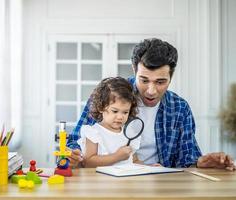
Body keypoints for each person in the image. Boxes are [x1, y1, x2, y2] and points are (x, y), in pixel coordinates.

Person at [67, 38, 236, 171]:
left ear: (171, 77)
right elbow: (74, 143)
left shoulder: (180, 109)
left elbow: (187, 159)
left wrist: (202, 162)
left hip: (158, 182)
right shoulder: (108, 96)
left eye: (161, 82)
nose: (151, 91)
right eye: (144, 80)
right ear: (134, 70)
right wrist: (73, 157)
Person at [77, 77, 141, 167]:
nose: (120, 117)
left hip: (125, 180)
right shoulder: (94, 132)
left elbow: (134, 160)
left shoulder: (129, 133)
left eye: (125, 112)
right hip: (102, 180)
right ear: (101, 107)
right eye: (115, 111)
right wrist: (117, 156)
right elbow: (88, 162)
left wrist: (150, 168)